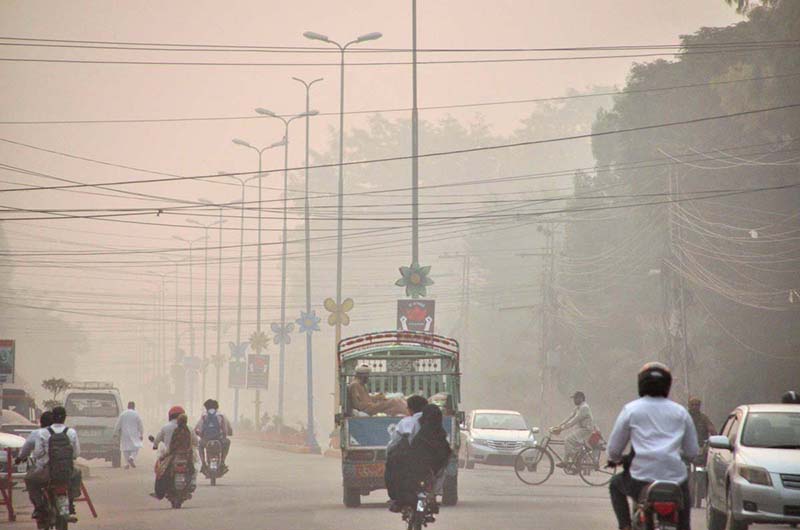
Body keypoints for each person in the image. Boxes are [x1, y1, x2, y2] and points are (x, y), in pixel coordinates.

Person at [607, 362, 699, 530]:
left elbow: (613, 450)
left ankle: (625, 526)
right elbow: (692, 451)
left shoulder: (631, 410)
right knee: (684, 519)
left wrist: (616, 459)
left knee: (615, 484)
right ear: (667, 385)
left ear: (641, 383)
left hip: (640, 480)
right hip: (676, 481)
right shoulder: (680, 412)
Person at [24, 406, 81, 521]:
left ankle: (39, 507)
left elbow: (37, 453)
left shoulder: (43, 433)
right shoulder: (71, 432)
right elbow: (76, 453)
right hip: (67, 471)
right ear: (65, 418)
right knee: (78, 473)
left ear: (53, 417)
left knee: (29, 479)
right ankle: (70, 502)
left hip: (47, 473)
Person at [152, 406, 198, 500]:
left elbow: (168, 444)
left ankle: (159, 492)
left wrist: (163, 452)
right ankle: (192, 483)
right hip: (187, 455)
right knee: (194, 466)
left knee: (160, 469)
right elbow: (195, 442)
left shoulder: (167, 427)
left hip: (172, 454)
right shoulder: (189, 428)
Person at [552, 391, 595, 468]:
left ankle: (568, 461)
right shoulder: (578, 407)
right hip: (581, 429)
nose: (574, 400)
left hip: (586, 430)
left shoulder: (584, 408)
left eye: (575, 398)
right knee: (571, 442)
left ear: (581, 398)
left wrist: (561, 429)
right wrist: (559, 426)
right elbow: (569, 417)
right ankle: (575, 458)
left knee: (568, 440)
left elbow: (574, 421)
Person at [195, 398, 233, 475]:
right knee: (228, 442)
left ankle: (203, 463)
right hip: (219, 441)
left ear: (206, 408)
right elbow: (226, 429)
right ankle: (222, 461)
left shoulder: (204, 416)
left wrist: (200, 435)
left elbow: (197, 429)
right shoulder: (221, 416)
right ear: (216, 407)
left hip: (206, 441)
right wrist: (228, 433)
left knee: (200, 445)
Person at [114, 401, 144, 469]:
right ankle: (132, 457)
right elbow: (140, 425)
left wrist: (115, 433)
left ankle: (126, 464)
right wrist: (141, 434)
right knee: (136, 447)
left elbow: (118, 424)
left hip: (124, 434)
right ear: (134, 407)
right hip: (134, 434)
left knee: (125, 449)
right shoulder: (136, 414)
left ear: (128, 406)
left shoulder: (123, 414)